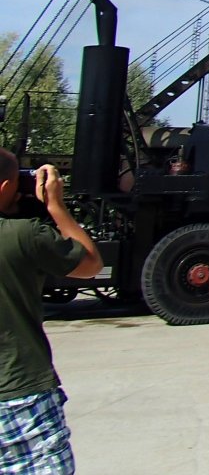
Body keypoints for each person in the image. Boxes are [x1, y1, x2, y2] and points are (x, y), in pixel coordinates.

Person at [1, 150, 103, 473]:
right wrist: (55, 206)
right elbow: (91, 264)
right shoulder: (23, 235)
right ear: (5, 187)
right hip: (19, 395)